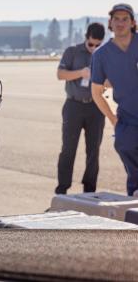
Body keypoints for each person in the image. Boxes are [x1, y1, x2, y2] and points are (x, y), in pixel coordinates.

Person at [91, 3, 138, 197]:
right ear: (110, 23)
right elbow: (96, 92)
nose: (120, 23)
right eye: (116, 19)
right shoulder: (102, 55)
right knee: (133, 174)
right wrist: (113, 120)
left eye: (124, 19)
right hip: (127, 121)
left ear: (133, 22)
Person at [55, 23, 106, 195]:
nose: (94, 49)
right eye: (91, 44)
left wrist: (103, 82)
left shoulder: (105, 55)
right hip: (73, 106)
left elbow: (111, 80)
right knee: (68, 149)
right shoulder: (72, 51)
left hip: (96, 106)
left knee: (93, 151)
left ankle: (89, 189)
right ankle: (62, 189)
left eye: (98, 45)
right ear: (86, 38)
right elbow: (60, 74)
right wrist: (81, 72)